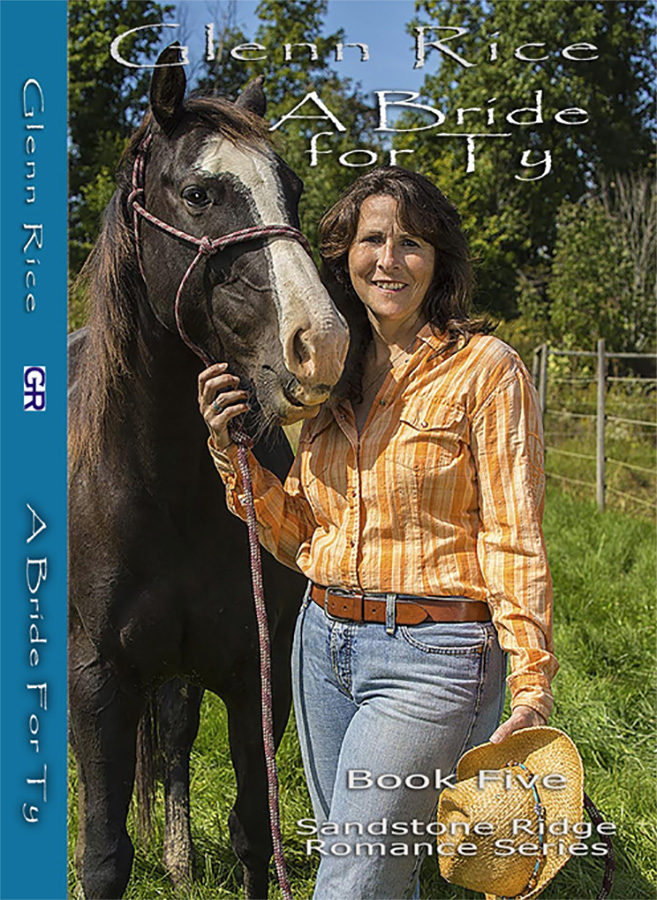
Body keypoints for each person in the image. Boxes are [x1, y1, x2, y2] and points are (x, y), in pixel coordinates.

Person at [198, 167, 557, 900]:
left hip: (434, 657)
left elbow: (514, 535)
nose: (389, 260)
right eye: (372, 240)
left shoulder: (485, 371)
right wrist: (232, 455)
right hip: (322, 647)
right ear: (344, 257)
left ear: (438, 261)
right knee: (377, 872)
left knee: (350, 881)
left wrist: (531, 683)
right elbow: (302, 536)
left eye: (411, 243)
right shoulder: (333, 377)